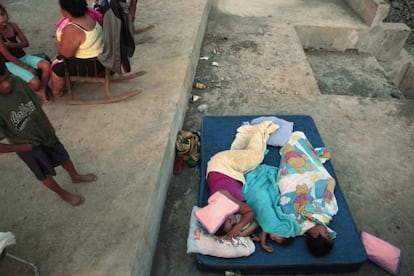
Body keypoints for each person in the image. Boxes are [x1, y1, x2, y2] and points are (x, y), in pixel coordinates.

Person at [0, 58, 96, 206]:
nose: (6, 84)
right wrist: (22, 148)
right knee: (43, 173)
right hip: (26, 146)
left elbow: (36, 105)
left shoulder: (17, 82)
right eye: (0, 83)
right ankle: (63, 193)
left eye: (7, 77)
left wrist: (49, 126)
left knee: (63, 155)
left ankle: (75, 175)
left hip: (44, 131)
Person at [51, 0, 104, 97]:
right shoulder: (89, 16)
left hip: (92, 65)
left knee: (56, 68)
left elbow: (66, 54)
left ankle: (57, 92)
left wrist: (59, 44)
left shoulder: (72, 29)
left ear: (66, 11)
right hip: (101, 58)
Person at [0, 4, 51, 103]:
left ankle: (42, 89)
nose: (2, 18)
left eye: (2, 14)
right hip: (10, 63)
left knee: (47, 65)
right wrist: (27, 67)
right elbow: (7, 56)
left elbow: (26, 43)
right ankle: (32, 93)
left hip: (24, 56)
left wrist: (11, 45)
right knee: (35, 82)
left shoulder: (13, 26)